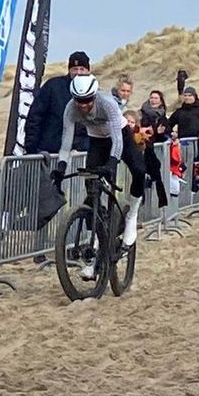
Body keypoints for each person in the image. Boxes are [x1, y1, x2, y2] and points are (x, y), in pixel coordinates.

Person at [50, 75, 147, 272]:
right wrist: (61, 167)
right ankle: (95, 245)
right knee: (91, 190)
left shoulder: (107, 103)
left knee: (139, 170)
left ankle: (132, 215)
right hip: (97, 142)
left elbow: (118, 140)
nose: (83, 105)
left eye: (86, 100)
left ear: (94, 96)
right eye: (79, 100)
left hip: (120, 137)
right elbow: (66, 141)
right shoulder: (70, 109)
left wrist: (112, 162)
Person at [23, 51, 93, 155]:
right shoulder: (53, 87)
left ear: (88, 71)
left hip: (79, 155)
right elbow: (35, 117)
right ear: (69, 70)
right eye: (74, 69)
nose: (78, 72)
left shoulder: (93, 92)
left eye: (82, 69)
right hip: (50, 153)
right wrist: (32, 149)